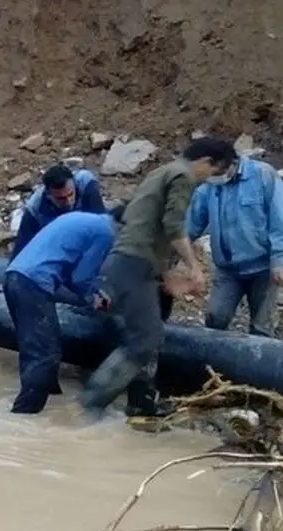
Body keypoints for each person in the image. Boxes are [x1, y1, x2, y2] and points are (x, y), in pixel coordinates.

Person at [78, 137, 239, 417]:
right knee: (145, 339)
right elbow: (173, 225)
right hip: (133, 264)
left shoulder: (161, 172)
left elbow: (143, 223)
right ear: (205, 162)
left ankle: (140, 404)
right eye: (214, 172)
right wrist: (194, 267)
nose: (209, 180)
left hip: (133, 263)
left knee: (148, 335)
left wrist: (164, 273)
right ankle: (89, 404)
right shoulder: (183, 176)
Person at [2, 205, 126, 414]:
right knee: (45, 354)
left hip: (15, 276)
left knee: (37, 347)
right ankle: (23, 418)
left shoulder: (87, 219)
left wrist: (92, 291)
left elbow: (69, 272)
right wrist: (92, 297)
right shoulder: (106, 233)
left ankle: (53, 404)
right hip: (33, 283)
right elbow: (81, 278)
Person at [185, 150, 283, 338]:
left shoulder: (262, 175)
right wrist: (173, 254)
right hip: (228, 270)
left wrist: (279, 260)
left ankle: (258, 365)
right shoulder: (209, 187)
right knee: (215, 318)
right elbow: (190, 226)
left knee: (261, 328)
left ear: (226, 165)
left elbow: (280, 219)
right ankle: (212, 365)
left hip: (263, 269)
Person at [10, 164, 108, 260]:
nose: (69, 202)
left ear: (74, 183)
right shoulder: (35, 208)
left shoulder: (85, 183)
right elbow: (20, 252)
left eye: (70, 194)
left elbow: (101, 224)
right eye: (61, 198)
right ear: (48, 195)